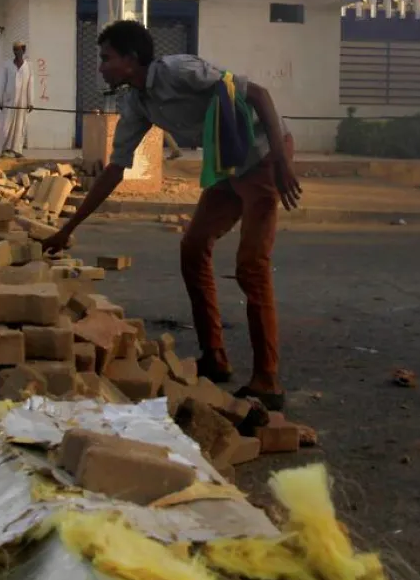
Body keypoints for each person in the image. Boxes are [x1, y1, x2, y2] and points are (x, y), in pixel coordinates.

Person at [41, 20, 300, 410]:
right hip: (226, 165)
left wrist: (281, 157)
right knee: (193, 247)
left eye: (106, 58)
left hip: (263, 157)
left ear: (131, 60)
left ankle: (268, 379)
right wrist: (68, 227)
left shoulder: (178, 70)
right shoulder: (136, 103)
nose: (101, 67)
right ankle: (214, 358)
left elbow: (258, 93)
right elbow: (115, 169)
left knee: (251, 265)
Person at [0, 40, 35, 156]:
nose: (16, 52)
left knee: (20, 125)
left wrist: (31, 102)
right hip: (9, 100)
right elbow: (2, 83)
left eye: (18, 49)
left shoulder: (28, 66)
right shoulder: (7, 65)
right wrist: (0, 100)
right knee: (6, 125)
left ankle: (17, 150)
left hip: (22, 102)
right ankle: (4, 149)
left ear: (23, 50)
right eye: (14, 49)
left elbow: (30, 84)